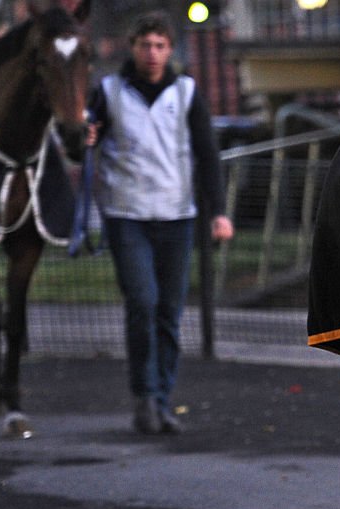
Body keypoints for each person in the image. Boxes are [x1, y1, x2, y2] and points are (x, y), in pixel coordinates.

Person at [86, 11, 234, 434]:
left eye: (160, 45)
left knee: (170, 311)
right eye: (144, 45)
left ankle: (163, 398)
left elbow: (207, 154)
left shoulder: (186, 92)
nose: (151, 53)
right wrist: (85, 138)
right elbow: (82, 143)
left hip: (177, 214)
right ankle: (144, 396)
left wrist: (219, 211)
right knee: (143, 303)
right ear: (132, 48)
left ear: (170, 49)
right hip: (127, 213)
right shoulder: (109, 91)